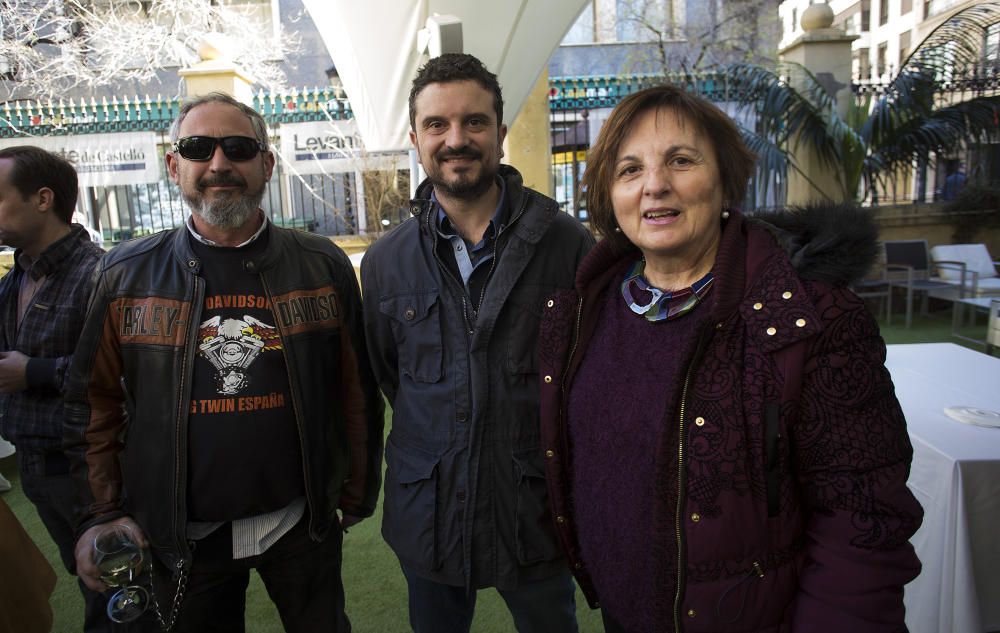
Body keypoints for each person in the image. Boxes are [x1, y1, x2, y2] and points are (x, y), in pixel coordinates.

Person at [537, 85, 924, 632]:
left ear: (724, 181)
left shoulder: (811, 320)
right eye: (629, 170)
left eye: (680, 160)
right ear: (609, 196)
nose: (655, 185)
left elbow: (863, 524)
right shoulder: (583, 313)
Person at [64, 92, 385, 633]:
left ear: (267, 162)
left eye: (237, 148)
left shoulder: (321, 264)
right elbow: (93, 401)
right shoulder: (124, 275)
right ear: (175, 165)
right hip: (183, 533)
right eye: (198, 148)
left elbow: (355, 388)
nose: (219, 164)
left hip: (299, 523)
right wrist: (103, 512)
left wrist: (357, 487)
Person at [361, 53, 593, 633]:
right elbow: (391, 375)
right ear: (415, 140)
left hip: (534, 509)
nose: (456, 139)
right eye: (437, 125)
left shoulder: (567, 244)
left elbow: (587, 378)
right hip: (429, 510)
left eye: (475, 122)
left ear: (501, 133)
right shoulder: (387, 261)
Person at [0, 145, 111, 632]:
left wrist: (36, 372)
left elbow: (126, 374)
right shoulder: (18, 274)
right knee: (87, 579)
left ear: (42, 199)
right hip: (37, 465)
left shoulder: (98, 274)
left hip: (86, 469)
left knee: (112, 590)